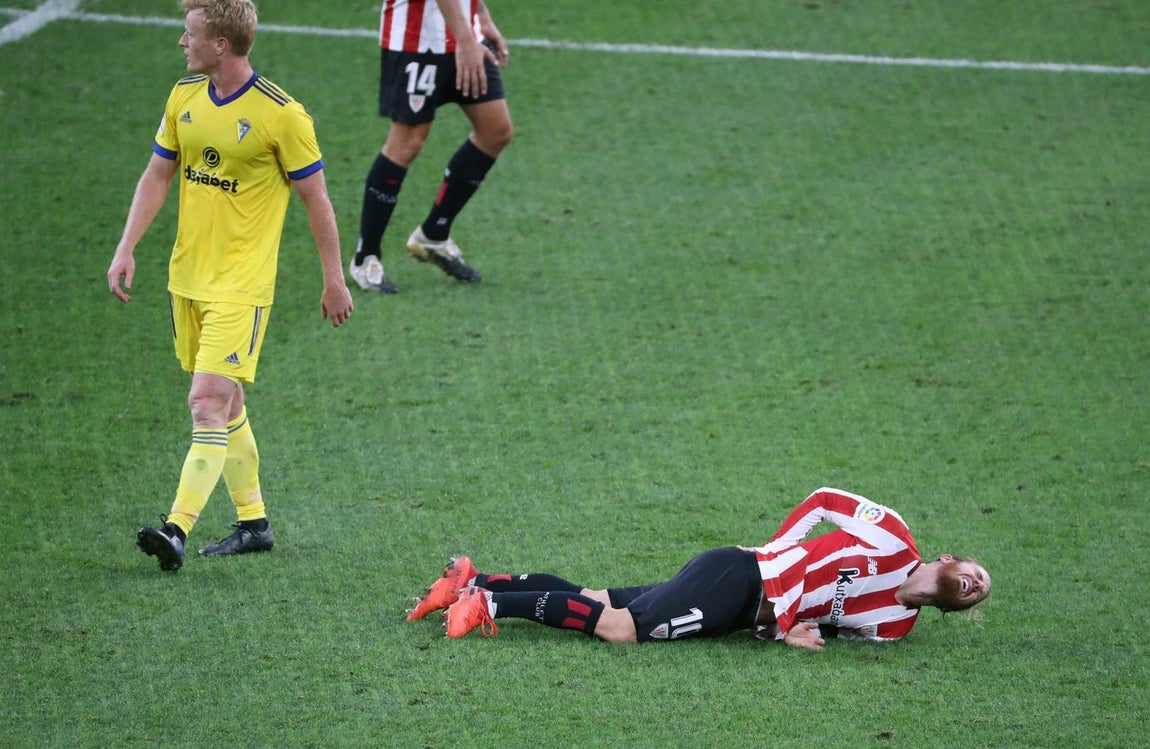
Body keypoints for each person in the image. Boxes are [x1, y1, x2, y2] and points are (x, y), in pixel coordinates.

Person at [106, 0, 354, 572]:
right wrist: (126, 246)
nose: (181, 41)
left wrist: (334, 278)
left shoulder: (282, 115)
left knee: (206, 402)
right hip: (187, 278)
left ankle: (176, 529)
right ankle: (254, 523)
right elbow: (158, 174)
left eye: (189, 33)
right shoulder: (183, 97)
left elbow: (316, 199)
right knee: (229, 402)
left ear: (221, 43)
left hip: (242, 287)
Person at [406, 488, 992, 649]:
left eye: (979, 592)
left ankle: (472, 581)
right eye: (976, 573)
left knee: (601, 598)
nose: (976, 585)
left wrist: (788, 631)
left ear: (958, 605)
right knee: (622, 629)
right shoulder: (891, 535)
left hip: (740, 615)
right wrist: (774, 550)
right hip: (740, 576)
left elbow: (827, 624)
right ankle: (488, 605)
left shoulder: (894, 628)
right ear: (950, 560)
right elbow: (822, 501)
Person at [347, 0, 514, 293]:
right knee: (406, 143)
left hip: (465, 36)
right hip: (416, 42)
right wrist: (466, 41)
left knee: (495, 131)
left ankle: (433, 235)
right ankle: (366, 257)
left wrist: (482, 18)